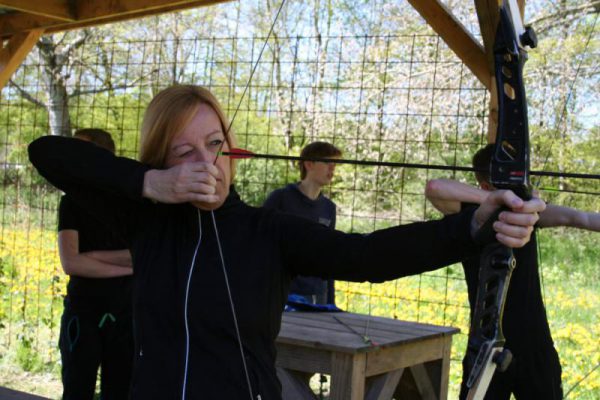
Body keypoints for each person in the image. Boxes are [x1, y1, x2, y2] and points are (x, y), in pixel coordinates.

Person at [29, 85, 544, 399]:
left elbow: (366, 256)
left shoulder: (267, 231)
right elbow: (47, 152)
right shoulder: (146, 221)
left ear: (233, 153)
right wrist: (150, 186)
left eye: (215, 146)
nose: (206, 164)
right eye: (182, 152)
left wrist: (474, 228)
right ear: (159, 162)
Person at [425, 144, 599, 400]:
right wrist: (501, 199)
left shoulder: (528, 215)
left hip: (533, 344)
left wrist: (519, 203)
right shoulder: (472, 215)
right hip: (486, 346)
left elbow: (580, 218)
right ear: (486, 186)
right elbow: (435, 188)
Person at [57, 129, 134, 400]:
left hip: (124, 314)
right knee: (77, 389)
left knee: (120, 391)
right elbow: (71, 263)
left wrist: (90, 258)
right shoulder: (71, 203)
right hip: (83, 311)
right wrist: (128, 265)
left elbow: (142, 254)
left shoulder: (130, 201)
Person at [264, 141, 341, 305]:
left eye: (335, 163)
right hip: (281, 293)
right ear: (308, 164)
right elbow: (259, 246)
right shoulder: (280, 199)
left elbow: (330, 256)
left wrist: (330, 302)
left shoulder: (329, 208)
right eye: (328, 162)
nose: (333, 168)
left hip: (317, 295)